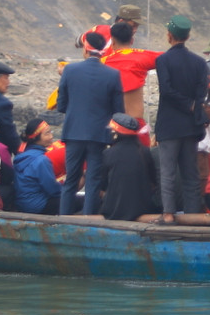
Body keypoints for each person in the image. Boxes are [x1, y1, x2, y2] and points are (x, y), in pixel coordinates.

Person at [56, 31, 126, 215]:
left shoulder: (70, 70)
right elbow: (118, 110)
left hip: (73, 133)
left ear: (86, 49)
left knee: (71, 179)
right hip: (99, 135)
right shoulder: (113, 75)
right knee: (93, 180)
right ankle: (88, 219)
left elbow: (61, 105)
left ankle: (64, 219)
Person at [155, 15, 209, 222]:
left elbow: (166, 91)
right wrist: (192, 105)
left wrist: (187, 104)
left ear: (170, 35)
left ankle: (168, 214)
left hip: (169, 125)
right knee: (191, 174)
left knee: (167, 172)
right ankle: (193, 216)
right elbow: (201, 91)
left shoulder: (163, 60)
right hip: (191, 125)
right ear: (187, 36)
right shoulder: (198, 62)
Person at [101, 21, 159, 144]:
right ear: (132, 40)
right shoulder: (143, 57)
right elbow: (172, 58)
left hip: (114, 125)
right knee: (143, 160)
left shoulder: (103, 62)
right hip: (137, 124)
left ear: (112, 41)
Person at [101, 114, 159, 221]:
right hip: (143, 209)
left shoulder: (108, 153)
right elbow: (153, 181)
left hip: (114, 210)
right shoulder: (145, 152)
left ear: (115, 133)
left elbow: (102, 184)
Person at [14, 118, 62, 215]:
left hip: (22, 203)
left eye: (51, 132)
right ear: (36, 138)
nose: (51, 136)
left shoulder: (21, 155)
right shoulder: (41, 160)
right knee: (74, 201)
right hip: (38, 205)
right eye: (47, 133)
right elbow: (53, 190)